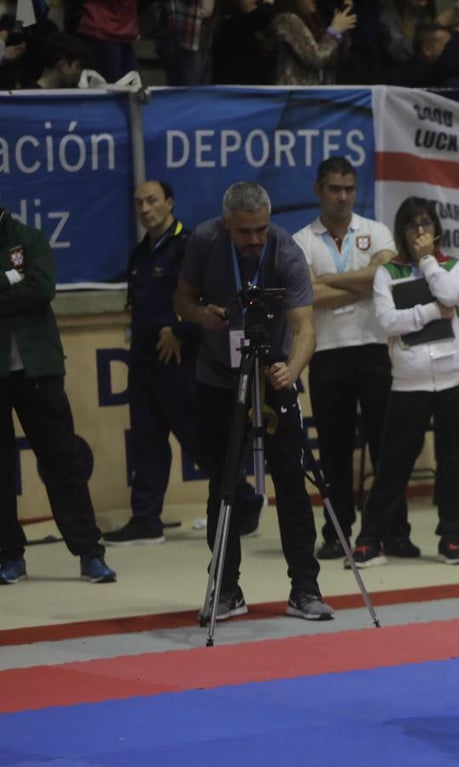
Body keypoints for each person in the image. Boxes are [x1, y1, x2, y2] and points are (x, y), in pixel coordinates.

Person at [173, 182, 333, 622]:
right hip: (218, 381)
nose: (255, 240)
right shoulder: (204, 242)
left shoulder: (285, 251)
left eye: (261, 229)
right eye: (245, 232)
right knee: (222, 487)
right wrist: (200, 314)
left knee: (292, 484)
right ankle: (225, 589)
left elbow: (305, 330)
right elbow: (182, 299)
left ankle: (305, 589)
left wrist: (292, 370)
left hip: (273, 376)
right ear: (227, 224)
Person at [104, 182, 262, 546]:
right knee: (145, 441)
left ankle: (246, 502)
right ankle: (146, 519)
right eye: (139, 203)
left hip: (180, 361)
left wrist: (180, 329)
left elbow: (209, 297)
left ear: (170, 203)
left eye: (152, 201)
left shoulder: (190, 245)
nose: (145, 209)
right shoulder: (141, 253)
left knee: (200, 441)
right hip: (143, 360)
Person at [353, 197, 459, 566]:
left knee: (454, 463)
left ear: (436, 229)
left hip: (457, 377)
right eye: (412, 225)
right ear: (401, 232)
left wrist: (427, 262)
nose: (420, 230)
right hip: (410, 380)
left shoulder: (452, 266)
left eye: (426, 223)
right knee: (393, 464)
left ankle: (452, 539)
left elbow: (452, 295)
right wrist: (433, 312)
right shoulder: (387, 272)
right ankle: (369, 539)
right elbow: (389, 322)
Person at [0, 204, 116, 585]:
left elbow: (41, 288)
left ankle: (89, 552)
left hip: (39, 370)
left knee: (61, 462)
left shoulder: (28, 238)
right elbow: (23, 289)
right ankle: (10, 556)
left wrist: (14, 286)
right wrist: (10, 283)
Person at [292, 157, 395, 560]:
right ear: (318, 190)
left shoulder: (375, 230)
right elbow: (305, 295)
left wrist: (328, 280)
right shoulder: (302, 240)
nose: (342, 197)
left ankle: (384, 530)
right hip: (327, 352)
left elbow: (384, 275)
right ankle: (336, 533)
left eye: (349, 189)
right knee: (333, 453)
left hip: (373, 348)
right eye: (334, 189)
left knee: (384, 447)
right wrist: (362, 283)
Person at [270, 0, 356, 85]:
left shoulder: (315, 21)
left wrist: (342, 31)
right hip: (297, 94)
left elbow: (335, 61)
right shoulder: (286, 20)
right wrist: (334, 31)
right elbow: (315, 59)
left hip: (321, 93)